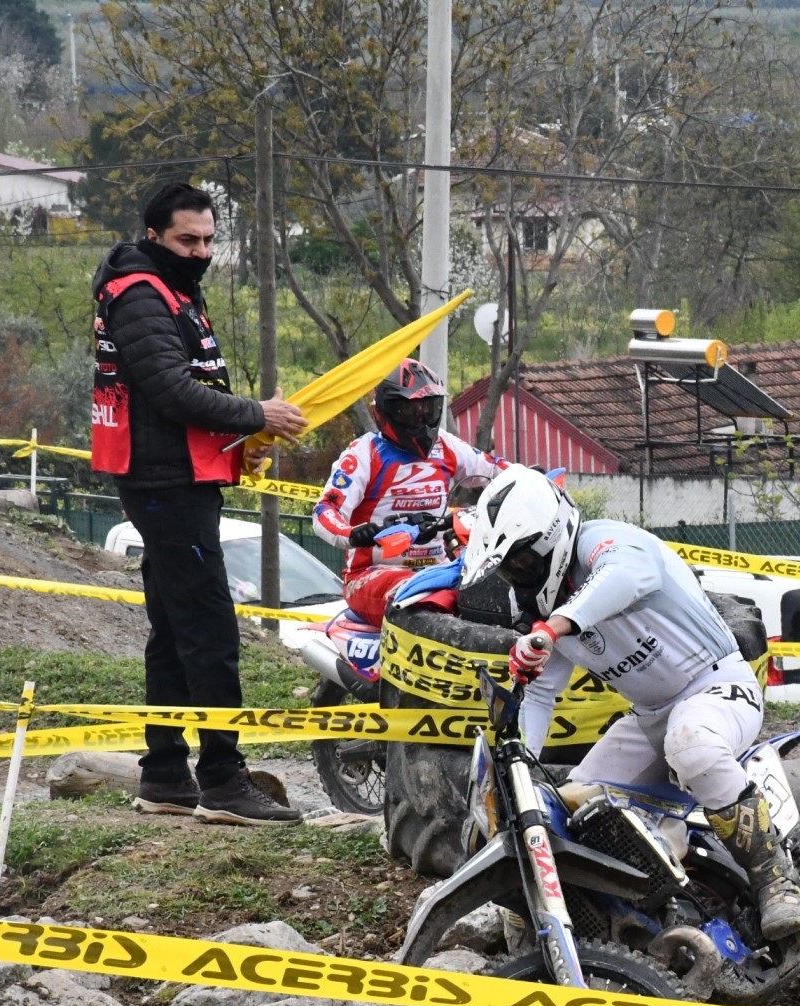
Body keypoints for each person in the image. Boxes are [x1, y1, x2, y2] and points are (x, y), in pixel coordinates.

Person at [467, 465, 800, 940]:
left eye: (523, 560)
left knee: (691, 743)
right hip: (649, 719)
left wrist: (555, 627)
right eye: (508, 567)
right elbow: (543, 691)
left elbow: (630, 576)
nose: (518, 573)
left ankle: (776, 881)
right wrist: (518, 762)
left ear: (552, 535)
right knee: (564, 811)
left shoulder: (606, 543)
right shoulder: (543, 610)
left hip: (715, 686)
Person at [91, 180, 308, 826]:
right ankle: (220, 777)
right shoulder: (139, 295)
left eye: (210, 240)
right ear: (154, 236)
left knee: (173, 627)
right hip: (164, 481)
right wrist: (256, 412)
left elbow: (189, 389)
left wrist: (241, 437)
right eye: (188, 240)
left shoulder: (172, 290)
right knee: (210, 629)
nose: (201, 251)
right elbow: (171, 390)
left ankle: (163, 772)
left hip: (179, 474)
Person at [313, 359, 508, 624]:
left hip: (440, 569)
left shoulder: (446, 445)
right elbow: (325, 510)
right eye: (411, 410)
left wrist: (531, 477)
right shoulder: (363, 453)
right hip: (371, 574)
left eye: (429, 409)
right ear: (387, 410)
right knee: (420, 595)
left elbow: (495, 468)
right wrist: (352, 534)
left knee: (498, 587)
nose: (422, 418)